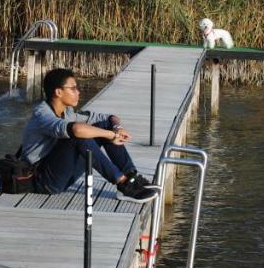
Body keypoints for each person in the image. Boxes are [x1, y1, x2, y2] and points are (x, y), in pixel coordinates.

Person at [20, 67, 161, 200]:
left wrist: (117, 127)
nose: (78, 92)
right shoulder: (42, 114)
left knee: (102, 126)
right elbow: (76, 130)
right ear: (58, 92)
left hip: (62, 174)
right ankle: (123, 184)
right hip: (43, 180)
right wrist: (111, 135)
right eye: (73, 89)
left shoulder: (67, 111)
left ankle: (131, 176)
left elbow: (109, 118)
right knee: (78, 136)